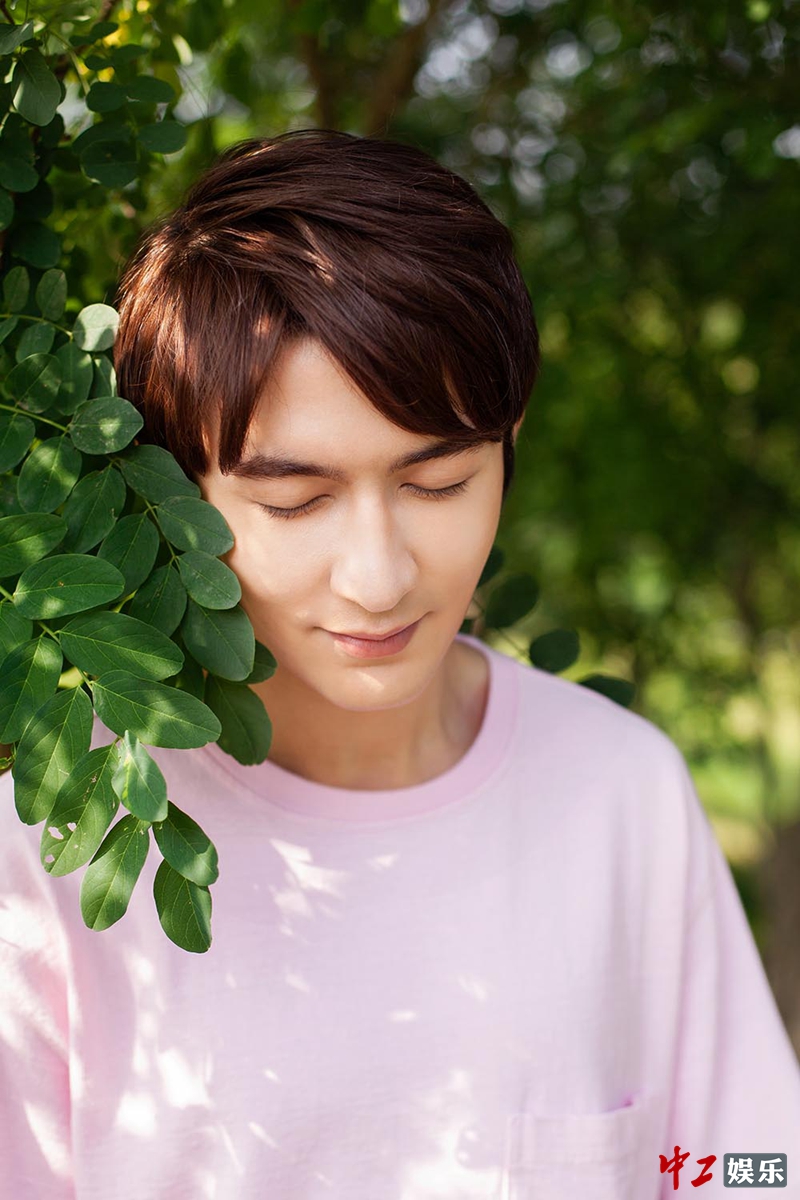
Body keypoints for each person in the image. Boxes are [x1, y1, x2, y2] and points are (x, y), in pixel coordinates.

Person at [1, 129, 799, 1200]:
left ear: (507, 445)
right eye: (295, 502)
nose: (378, 579)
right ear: (172, 493)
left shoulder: (621, 791)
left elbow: (748, 1166)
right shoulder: (60, 839)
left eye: (437, 484)